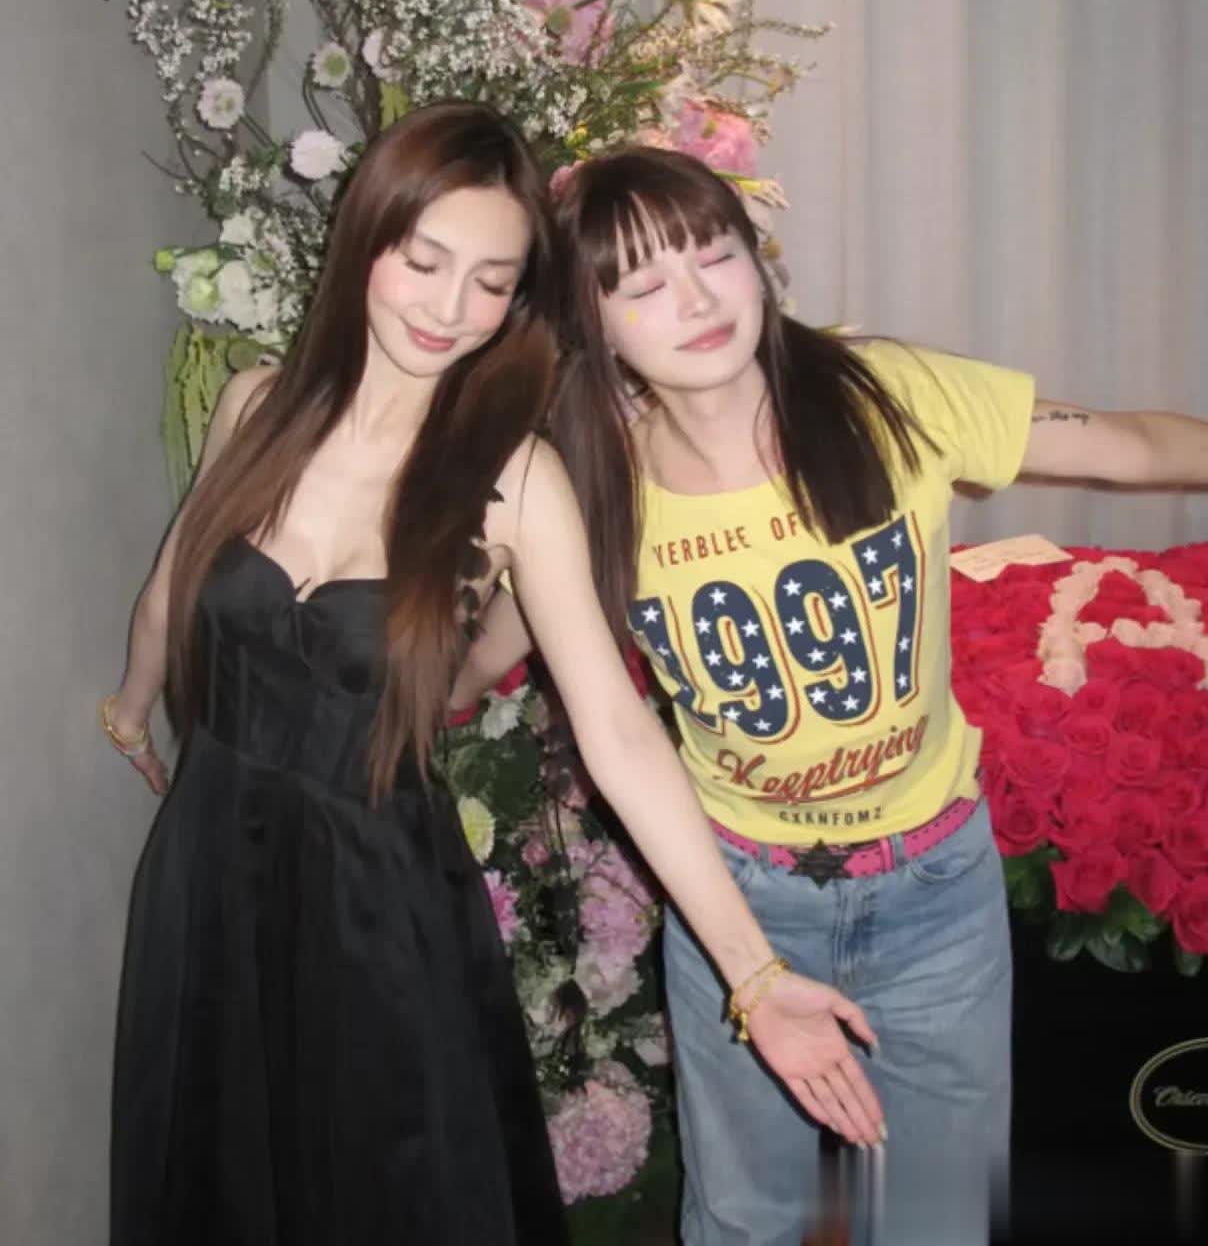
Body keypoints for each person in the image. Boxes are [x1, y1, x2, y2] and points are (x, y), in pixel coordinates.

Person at [99, 106, 887, 1246]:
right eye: (423, 262)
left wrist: (754, 976)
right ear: (365, 242)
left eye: (489, 282)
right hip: (209, 870)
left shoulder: (515, 482)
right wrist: (130, 713)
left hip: (378, 901)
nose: (447, 307)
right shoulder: (255, 405)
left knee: (391, 1191)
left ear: (518, 301)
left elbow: (619, 734)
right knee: (221, 1174)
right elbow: (171, 593)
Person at [451, 145, 1208, 1246]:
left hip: (935, 888)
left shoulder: (886, 393)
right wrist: (429, 688)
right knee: (744, 1219)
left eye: (713, 253)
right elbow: (497, 642)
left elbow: (1124, 444)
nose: (697, 298)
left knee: (938, 1217)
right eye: (643, 283)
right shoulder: (594, 482)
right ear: (593, 321)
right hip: (739, 896)